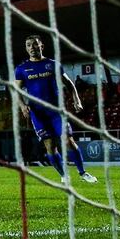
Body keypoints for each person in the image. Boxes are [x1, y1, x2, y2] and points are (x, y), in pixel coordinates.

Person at [14, 35, 98, 183]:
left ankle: (83, 172)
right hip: (38, 113)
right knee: (50, 146)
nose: (32, 48)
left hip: (56, 111)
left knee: (68, 141)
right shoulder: (21, 69)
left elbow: (69, 83)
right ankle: (64, 175)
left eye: (35, 44)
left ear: (42, 46)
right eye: (28, 45)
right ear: (26, 49)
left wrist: (76, 99)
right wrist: (22, 106)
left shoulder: (53, 64)